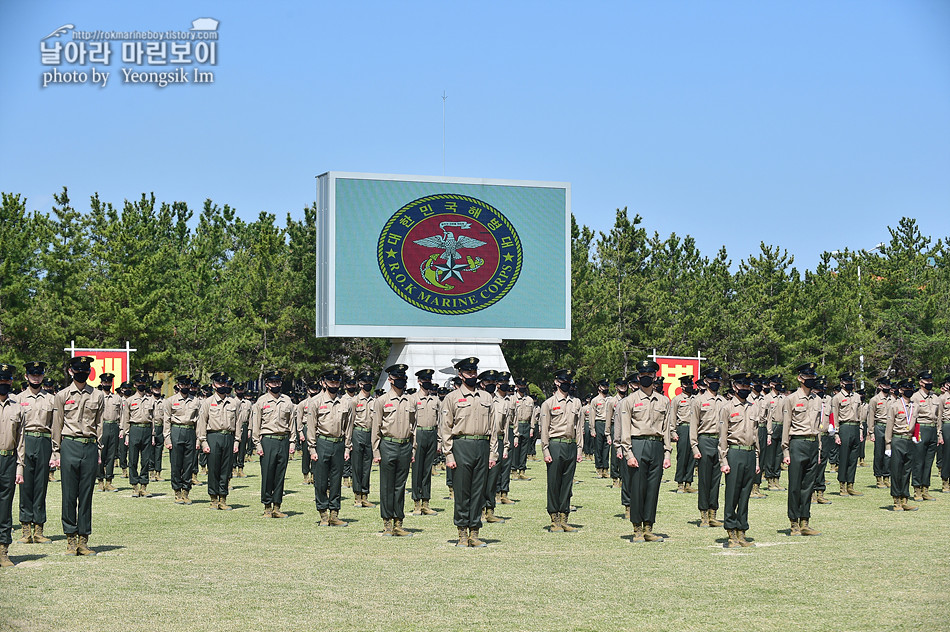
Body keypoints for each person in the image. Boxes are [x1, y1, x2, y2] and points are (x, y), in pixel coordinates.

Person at [440, 357, 499, 547]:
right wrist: (449, 454)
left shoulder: (487, 398)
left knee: (478, 492)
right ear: (460, 375)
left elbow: (493, 428)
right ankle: (462, 533)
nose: (472, 375)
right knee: (462, 491)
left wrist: (493, 454)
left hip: (481, 446)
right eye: (468, 372)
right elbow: (445, 428)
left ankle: (475, 531)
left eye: (474, 372)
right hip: (461, 446)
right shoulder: (452, 398)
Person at [51, 356, 105, 555]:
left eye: (85, 369)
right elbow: (57, 424)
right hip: (69, 446)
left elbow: (100, 424)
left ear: (89, 372)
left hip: (89, 447)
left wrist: (99, 449)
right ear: (70, 371)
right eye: (78, 369)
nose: (81, 372)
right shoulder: (62, 395)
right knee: (69, 494)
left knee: (86, 495)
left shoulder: (98, 395)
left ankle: (84, 539)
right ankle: (70, 539)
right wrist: (55, 451)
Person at [618, 360, 672, 543]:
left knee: (652, 489)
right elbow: (625, 429)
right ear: (638, 377)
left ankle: (649, 527)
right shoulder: (629, 401)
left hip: (656, 446)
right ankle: (637, 528)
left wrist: (667, 453)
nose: (646, 378)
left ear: (654, 377)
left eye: (650, 375)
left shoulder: (664, 401)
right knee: (638, 488)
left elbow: (666, 429)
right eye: (643, 375)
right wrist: (629, 454)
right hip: (638, 445)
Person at [372, 364, 416, 537]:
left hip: (405, 446)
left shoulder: (411, 401)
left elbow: (415, 427)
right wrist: (376, 451)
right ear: (390, 379)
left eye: (403, 377)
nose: (401, 380)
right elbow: (376, 428)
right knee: (387, 486)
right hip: (388, 445)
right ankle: (387, 523)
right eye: (397, 377)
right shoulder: (381, 401)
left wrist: (413, 449)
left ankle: (399, 522)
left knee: (400, 486)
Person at [307, 368, 354, 526]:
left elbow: (349, 427)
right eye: (331, 381)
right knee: (320, 481)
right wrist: (312, 449)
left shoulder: (346, 403)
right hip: (322, 443)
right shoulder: (315, 402)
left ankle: (334, 514)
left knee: (336, 481)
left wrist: (347, 447)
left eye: (336, 381)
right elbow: (311, 427)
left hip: (339, 444)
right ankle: (323, 514)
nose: (334, 384)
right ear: (323, 383)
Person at [781, 363, 824, 536]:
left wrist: (819, 449)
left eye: (813, 378)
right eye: (807, 377)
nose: (810, 380)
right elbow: (786, 426)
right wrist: (785, 450)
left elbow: (818, 426)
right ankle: (794, 523)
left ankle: (805, 521)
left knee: (809, 486)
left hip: (813, 444)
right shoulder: (791, 399)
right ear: (800, 378)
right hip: (797, 444)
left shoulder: (818, 399)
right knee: (795, 486)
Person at [539, 368, 584, 532]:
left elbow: (579, 427)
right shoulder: (548, 404)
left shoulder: (576, 403)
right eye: (563, 381)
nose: (566, 383)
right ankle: (554, 518)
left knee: (567, 483)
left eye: (568, 381)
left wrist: (580, 449)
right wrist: (545, 450)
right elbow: (544, 429)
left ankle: (565, 517)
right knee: (554, 483)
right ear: (556, 382)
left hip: (570, 444)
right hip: (555, 445)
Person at [718, 372, 759, 548]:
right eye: (742, 386)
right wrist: (724, 461)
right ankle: (731, 531)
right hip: (734, 453)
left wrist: (757, 460)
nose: (745, 389)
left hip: (750, 454)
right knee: (732, 494)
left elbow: (756, 436)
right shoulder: (727, 408)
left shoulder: (753, 407)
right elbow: (722, 437)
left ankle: (742, 531)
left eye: (747, 386)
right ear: (735, 387)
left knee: (745, 496)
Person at [16, 362, 54, 545]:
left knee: (41, 485)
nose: (36, 378)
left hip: (44, 441)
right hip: (26, 441)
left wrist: (55, 452)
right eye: (33, 375)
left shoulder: (51, 399)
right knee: (25, 485)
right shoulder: (18, 398)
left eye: (39, 375)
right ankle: (25, 529)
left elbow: (55, 426)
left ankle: (38, 528)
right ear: (26, 376)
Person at [253, 371, 297, 518]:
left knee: (280, 475)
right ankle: (267, 506)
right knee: (267, 474)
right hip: (267, 440)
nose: (276, 385)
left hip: (283, 440)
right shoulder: (261, 401)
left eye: (278, 382)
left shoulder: (287, 401)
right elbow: (256, 425)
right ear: (267, 384)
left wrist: (292, 442)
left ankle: (277, 506)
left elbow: (292, 424)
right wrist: (257, 444)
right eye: (273, 382)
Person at [197, 373, 240, 510]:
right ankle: (213, 499)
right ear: (213, 385)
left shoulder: (233, 402)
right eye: (219, 383)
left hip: (228, 437)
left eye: (224, 383)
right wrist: (203, 442)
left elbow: (238, 423)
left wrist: (237, 441)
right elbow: (202, 423)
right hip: (213, 436)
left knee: (226, 470)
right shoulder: (207, 402)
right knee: (214, 469)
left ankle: (223, 498)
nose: (222, 385)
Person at [690, 367, 725, 528]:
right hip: (704, 440)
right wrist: (694, 446)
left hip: (719, 442)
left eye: (718, 380)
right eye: (712, 380)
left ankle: (713, 513)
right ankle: (703, 514)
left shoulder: (724, 402)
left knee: (716, 480)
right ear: (706, 381)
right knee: (704, 479)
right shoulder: (698, 401)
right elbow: (693, 425)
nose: (715, 383)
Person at [0, 363, 25, 567]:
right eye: (1, 379)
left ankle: (3, 550)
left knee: (5, 508)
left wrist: (19, 467)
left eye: (7, 380)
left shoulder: (17, 407)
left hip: (8, 460)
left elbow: (21, 440)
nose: (4, 383)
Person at [163, 375, 199, 505]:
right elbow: (166, 420)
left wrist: (199, 440)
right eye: (182, 385)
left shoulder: (196, 401)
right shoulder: (170, 401)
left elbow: (199, 422)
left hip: (190, 431)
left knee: (189, 464)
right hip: (176, 431)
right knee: (176, 464)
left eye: (187, 385)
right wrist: (167, 438)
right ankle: (177, 491)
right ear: (178, 385)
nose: (185, 387)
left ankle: (186, 491)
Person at [120, 373, 156, 498]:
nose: (141, 385)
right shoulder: (129, 401)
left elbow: (153, 420)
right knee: (133, 460)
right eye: (139, 383)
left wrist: (152, 435)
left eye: (143, 383)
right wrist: (127, 434)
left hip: (146, 430)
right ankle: (135, 486)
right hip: (134, 429)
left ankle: (144, 486)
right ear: (135, 385)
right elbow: (126, 419)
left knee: (146, 460)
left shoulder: (151, 400)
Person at [886, 378, 920, 511]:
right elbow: (889, 426)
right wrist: (888, 444)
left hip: (909, 440)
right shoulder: (894, 405)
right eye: (906, 388)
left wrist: (916, 436)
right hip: (897, 439)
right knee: (896, 471)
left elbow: (916, 422)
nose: (909, 390)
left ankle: (905, 498)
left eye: (911, 388)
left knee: (907, 471)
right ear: (900, 390)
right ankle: (896, 500)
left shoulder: (915, 406)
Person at [910, 370, 942, 501]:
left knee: (929, 462)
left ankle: (925, 488)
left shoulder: (936, 398)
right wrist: (913, 433)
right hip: (920, 428)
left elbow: (939, 417)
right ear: (920, 382)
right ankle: (917, 489)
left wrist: (939, 434)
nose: (929, 383)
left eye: (930, 381)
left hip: (932, 429)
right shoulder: (915, 397)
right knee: (918, 461)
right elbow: (912, 417)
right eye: (927, 381)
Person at [411, 369, 439, 516]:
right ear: (419, 381)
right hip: (419, 434)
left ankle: (426, 502)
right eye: (425, 380)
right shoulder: (412, 398)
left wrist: (439, 440)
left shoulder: (435, 400)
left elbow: (440, 421)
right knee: (417, 470)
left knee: (428, 470)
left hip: (432, 433)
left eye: (429, 380)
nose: (427, 382)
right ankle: (416, 502)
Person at [832, 372, 864, 497]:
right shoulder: (837, 398)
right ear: (842, 383)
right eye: (847, 382)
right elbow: (834, 416)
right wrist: (836, 433)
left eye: (851, 382)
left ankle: (851, 484)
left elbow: (860, 414)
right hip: (844, 427)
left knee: (853, 459)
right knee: (844, 458)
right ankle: (842, 485)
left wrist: (861, 430)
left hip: (855, 427)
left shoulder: (857, 396)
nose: (850, 384)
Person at [350, 372, 376, 508]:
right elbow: (350, 422)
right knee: (357, 466)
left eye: (370, 382)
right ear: (360, 384)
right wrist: (348, 441)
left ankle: (365, 495)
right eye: (365, 382)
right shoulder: (354, 400)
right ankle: (357, 496)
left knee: (367, 467)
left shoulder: (374, 401)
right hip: (357, 433)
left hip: (369, 434)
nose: (368, 385)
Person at [95, 373, 123, 492]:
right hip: (102, 426)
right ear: (101, 383)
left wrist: (121, 429)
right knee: (101, 453)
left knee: (112, 455)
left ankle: (109, 481)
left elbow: (122, 415)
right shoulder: (97, 396)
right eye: (105, 382)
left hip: (114, 426)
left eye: (109, 382)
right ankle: (100, 480)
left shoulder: (117, 398)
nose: (107, 384)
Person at [670, 375, 695, 493]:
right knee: (682, 456)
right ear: (682, 386)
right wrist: (673, 431)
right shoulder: (677, 399)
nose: (689, 386)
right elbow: (672, 417)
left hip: (695, 429)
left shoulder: (696, 399)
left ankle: (688, 482)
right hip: (683, 428)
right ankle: (680, 483)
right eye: (686, 384)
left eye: (690, 384)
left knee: (692, 456)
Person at [867, 377, 892, 488]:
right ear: (880, 386)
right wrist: (871, 432)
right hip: (879, 427)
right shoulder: (875, 400)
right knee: (879, 453)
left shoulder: (894, 399)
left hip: (890, 428)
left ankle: (887, 476)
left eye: (888, 385)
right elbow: (871, 417)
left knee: (889, 453)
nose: (887, 387)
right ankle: (878, 478)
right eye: (885, 385)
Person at [762, 375, 786, 491]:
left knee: (779, 455)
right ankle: (769, 479)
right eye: (777, 383)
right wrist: (768, 433)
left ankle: (777, 478)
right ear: (771, 384)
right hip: (772, 426)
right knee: (770, 456)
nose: (779, 385)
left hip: (782, 427)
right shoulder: (766, 398)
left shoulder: (784, 398)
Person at [297, 379, 321, 485]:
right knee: (306, 454)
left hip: (317, 429)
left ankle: (314, 474)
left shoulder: (320, 401)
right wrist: (300, 432)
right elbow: (299, 419)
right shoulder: (303, 404)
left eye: (316, 389)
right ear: (308, 390)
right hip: (306, 427)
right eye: (312, 389)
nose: (315, 391)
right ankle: (305, 475)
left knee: (316, 452)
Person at [589, 379, 614, 480]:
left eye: (607, 386)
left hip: (609, 424)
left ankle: (605, 469)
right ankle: (599, 468)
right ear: (599, 387)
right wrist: (592, 429)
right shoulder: (595, 400)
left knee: (607, 447)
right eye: (603, 387)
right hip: (599, 423)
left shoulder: (611, 399)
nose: (605, 389)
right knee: (598, 448)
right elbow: (592, 415)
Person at [511, 377, 535, 481]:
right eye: (521, 386)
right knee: (515, 449)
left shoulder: (529, 400)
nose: (523, 388)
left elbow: (533, 415)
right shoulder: (512, 399)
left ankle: (522, 470)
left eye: (524, 386)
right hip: (516, 425)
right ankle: (514, 471)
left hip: (526, 425)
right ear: (516, 386)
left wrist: (532, 428)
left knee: (524, 450)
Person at [233, 383, 252, 478]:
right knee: (234, 448)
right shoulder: (232, 401)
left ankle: (241, 468)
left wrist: (249, 430)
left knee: (242, 448)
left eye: (241, 390)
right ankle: (233, 468)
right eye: (238, 390)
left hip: (244, 425)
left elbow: (251, 417)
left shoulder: (248, 403)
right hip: (234, 426)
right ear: (235, 391)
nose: (240, 391)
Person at [149, 380, 165, 481]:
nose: (157, 390)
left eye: (158, 389)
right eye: (155, 389)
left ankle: (158, 473)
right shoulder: (148, 401)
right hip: (151, 428)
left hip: (161, 428)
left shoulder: (164, 401)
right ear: (151, 389)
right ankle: (151, 472)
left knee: (159, 451)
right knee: (151, 452)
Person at [938, 375, 950, 493]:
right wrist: (939, 433)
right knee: (947, 454)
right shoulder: (942, 398)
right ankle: (945, 480)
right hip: (947, 425)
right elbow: (939, 417)